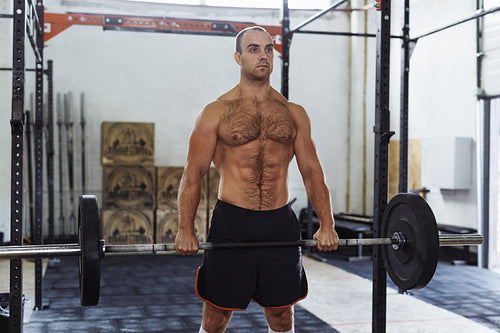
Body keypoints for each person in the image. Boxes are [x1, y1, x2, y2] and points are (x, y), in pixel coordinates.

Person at [175, 26, 339, 333]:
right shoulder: (215, 112)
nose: (262, 55)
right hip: (232, 222)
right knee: (216, 316)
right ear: (238, 58)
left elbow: (312, 172)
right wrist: (185, 229)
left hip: (279, 222)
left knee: (281, 315)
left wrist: (327, 224)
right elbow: (193, 173)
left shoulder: (294, 113)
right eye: (253, 49)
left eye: (268, 49)